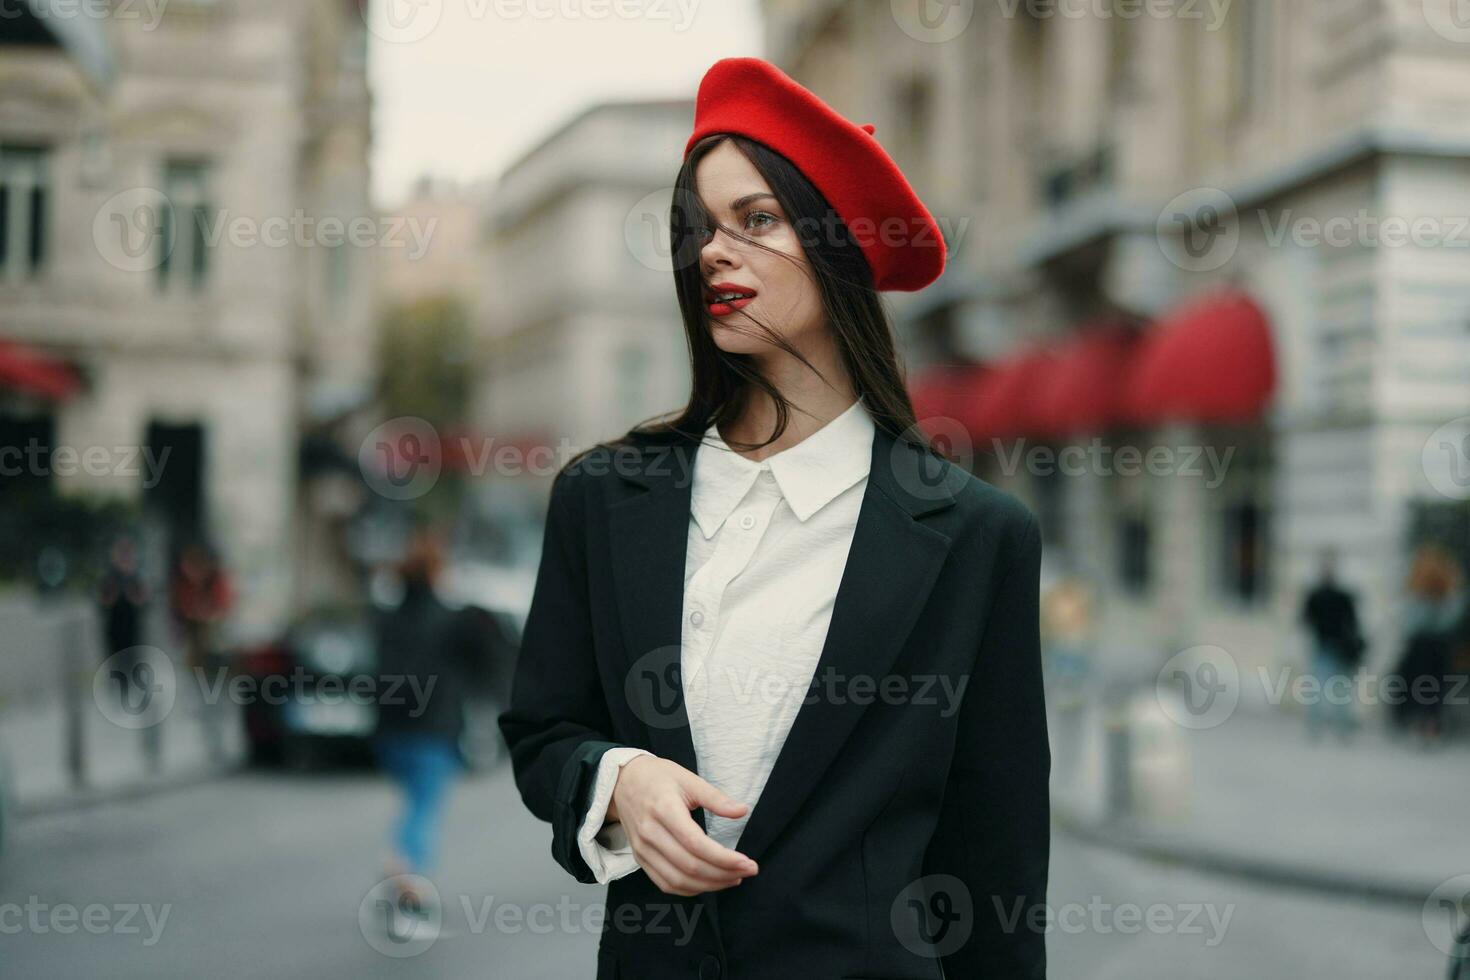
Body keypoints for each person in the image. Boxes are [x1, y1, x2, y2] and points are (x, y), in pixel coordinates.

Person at [499, 57, 1049, 980]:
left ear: (841, 246)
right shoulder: (604, 495)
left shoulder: (975, 536)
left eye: (756, 220)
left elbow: (994, 859)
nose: (713, 251)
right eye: (699, 228)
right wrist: (616, 780)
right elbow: (542, 731)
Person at [372, 525, 477, 907]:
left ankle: (404, 864)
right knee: (424, 805)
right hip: (433, 732)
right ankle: (406, 867)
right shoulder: (450, 620)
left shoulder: (388, 618)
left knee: (414, 799)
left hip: (391, 732)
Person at [1389, 545, 1466, 747]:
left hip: (1421, 646)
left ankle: (1421, 724)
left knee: (1419, 686)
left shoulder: (1418, 595)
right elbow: (1450, 620)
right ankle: (1431, 725)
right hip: (1440, 647)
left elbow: (1410, 622)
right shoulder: (1449, 597)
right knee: (1435, 688)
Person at [1298, 546, 1365, 741]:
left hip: (1333, 647)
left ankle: (1327, 727)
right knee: (1330, 689)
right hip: (1328, 646)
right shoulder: (1335, 596)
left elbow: (1305, 620)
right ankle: (1329, 727)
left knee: (1330, 689)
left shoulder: (1324, 596)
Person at [97, 534, 150, 699]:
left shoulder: (136, 577)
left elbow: (144, 602)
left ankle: (132, 689)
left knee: (133, 658)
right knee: (116, 659)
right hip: (115, 625)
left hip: (132, 625)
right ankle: (119, 690)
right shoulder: (109, 577)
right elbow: (103, 602)